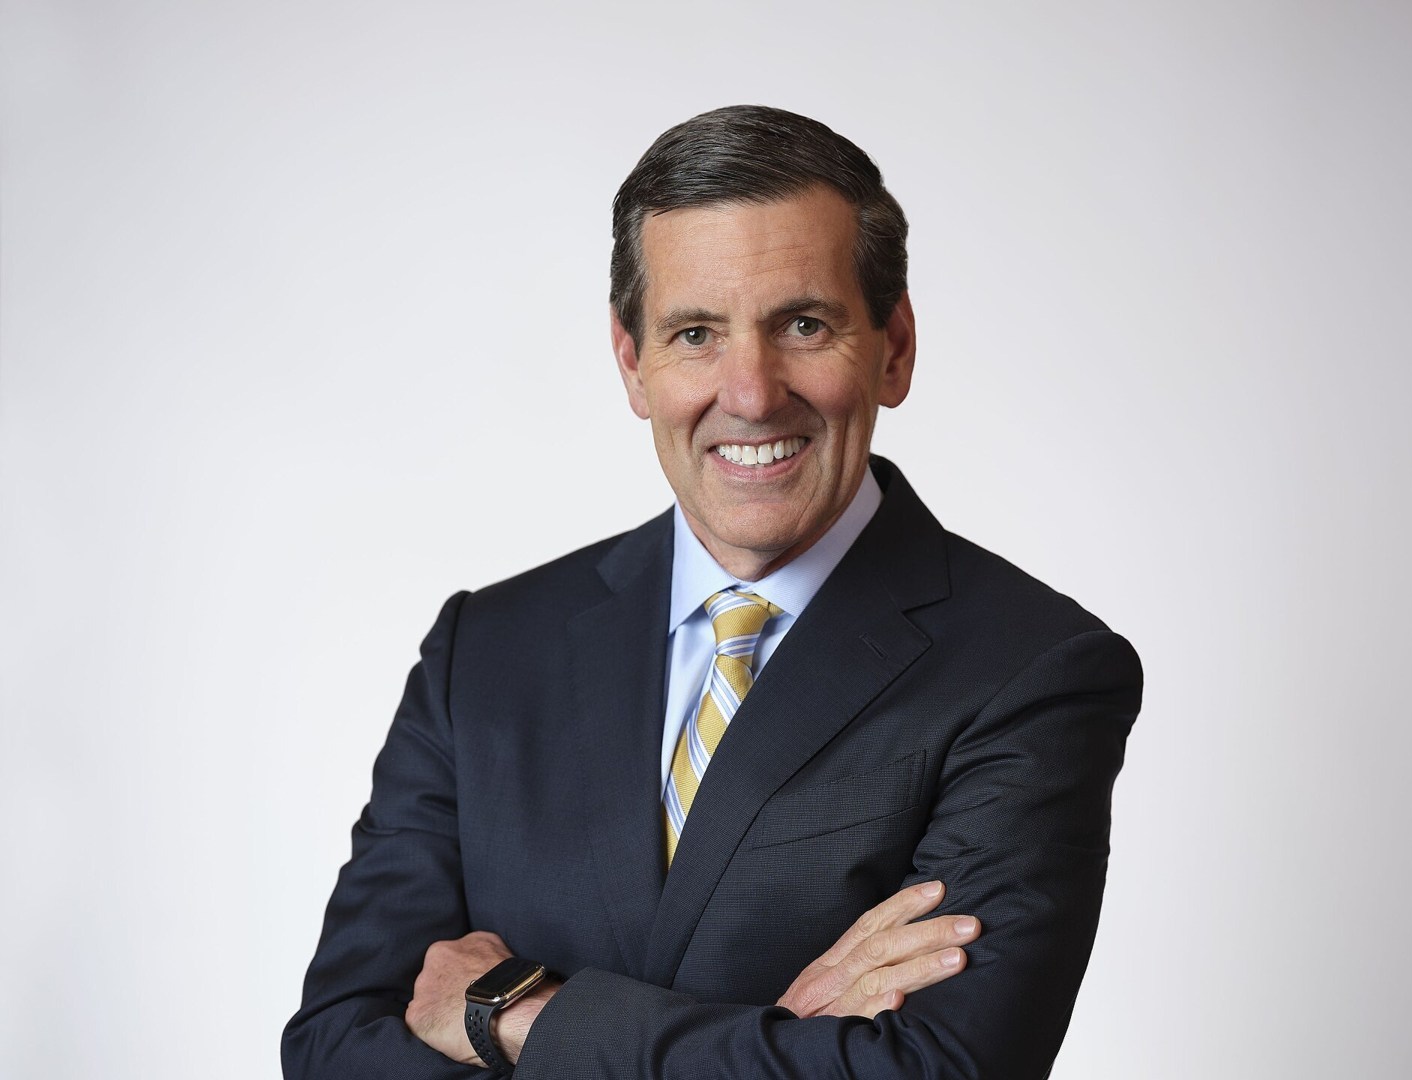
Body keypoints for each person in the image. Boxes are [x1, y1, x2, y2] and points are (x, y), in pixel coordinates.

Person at [282, 104, 1143, 1079]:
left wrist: (517, 1016)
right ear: (631, 361)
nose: (750, 391)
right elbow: (335, 1047)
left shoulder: (1031, 671)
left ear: (893, 346)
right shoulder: (483, 650)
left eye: (804, 324)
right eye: (696, 332)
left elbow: (935, 1071)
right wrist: (781, 1044)